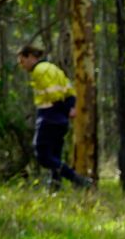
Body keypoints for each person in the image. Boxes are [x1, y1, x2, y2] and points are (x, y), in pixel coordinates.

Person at [16, 45, 92, 189]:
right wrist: (70, 108)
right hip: (60, 120)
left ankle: (77, 179)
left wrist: (64, 110)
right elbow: (69, 90)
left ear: (31, 56)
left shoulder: (39, 71)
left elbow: (54, 95)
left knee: (42, 154)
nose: (22, 65)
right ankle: (55, 187)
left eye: (22, 61)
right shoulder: (53, 68)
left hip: (49, 116)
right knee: (55, 155)